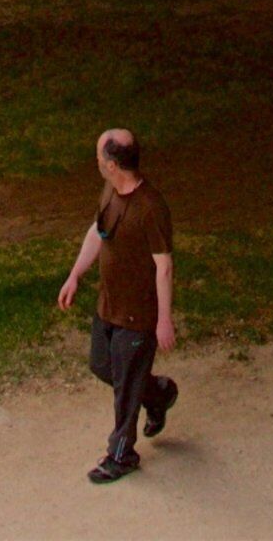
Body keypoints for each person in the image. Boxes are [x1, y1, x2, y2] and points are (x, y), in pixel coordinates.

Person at [53, 127, 177, 482]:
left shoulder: (151, 208)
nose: (95, 161)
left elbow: (164, 266)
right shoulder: (111, 192)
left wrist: (163, 320)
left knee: (124, 386)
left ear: (111, 164)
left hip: (139, 314)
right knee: (102, 365)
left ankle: (121, 454)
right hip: (109, 304)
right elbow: (98, 231)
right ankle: (157, 394)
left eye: (98, 156)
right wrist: (75, 274)